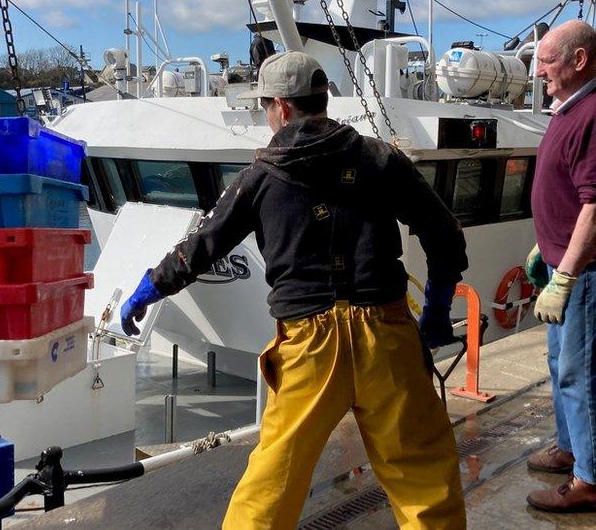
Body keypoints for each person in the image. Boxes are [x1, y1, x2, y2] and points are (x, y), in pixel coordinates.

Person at [120, 51, 468, 529]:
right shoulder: (381, 159)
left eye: (265, 106)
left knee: (273, 481)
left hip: (309, 344)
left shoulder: (258, 177)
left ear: (281, 107)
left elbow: (202, 247)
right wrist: (435, 311)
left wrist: (149, 289)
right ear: (321, 99)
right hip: (386, 335)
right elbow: (445, 234)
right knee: (423, 478)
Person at [524, 20, 596, 513]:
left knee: (580, 371)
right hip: (561, 259)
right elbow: (566, 192)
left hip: (583, 269)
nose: (537, 69)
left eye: (546, 59)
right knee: (559, 363)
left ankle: (591, 482)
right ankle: (571, 448)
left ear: (579, 60)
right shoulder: (571, 109)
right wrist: (543, 249)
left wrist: (565, 275)